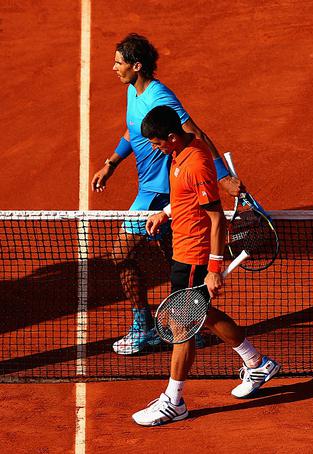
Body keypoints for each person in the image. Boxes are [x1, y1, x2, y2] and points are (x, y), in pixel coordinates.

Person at [131, 106, 280, 426]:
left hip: (196, 256)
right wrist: (166, 213)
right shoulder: (180, 153)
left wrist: (213, 268)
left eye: (158, 143)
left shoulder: (196, 162)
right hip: (181, 251)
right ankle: (257, 363)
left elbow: (216, 217)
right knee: (201, 315)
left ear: (171, 137)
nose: (156, 149)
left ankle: (174, 401)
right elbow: (187, 198)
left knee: (182, 326)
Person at [90, 33, 239, 355]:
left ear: (137, 65)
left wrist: (224, 177)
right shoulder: (133, 90)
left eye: (119, 62)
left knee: (122, 254)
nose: (113, 68)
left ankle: (143, 327)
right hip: (151, 189)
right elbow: (133, 129)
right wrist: (111, 163)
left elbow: (195, 133)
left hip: (158, 193)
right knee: (174, 257)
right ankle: (192, 323)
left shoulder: (160, 97)